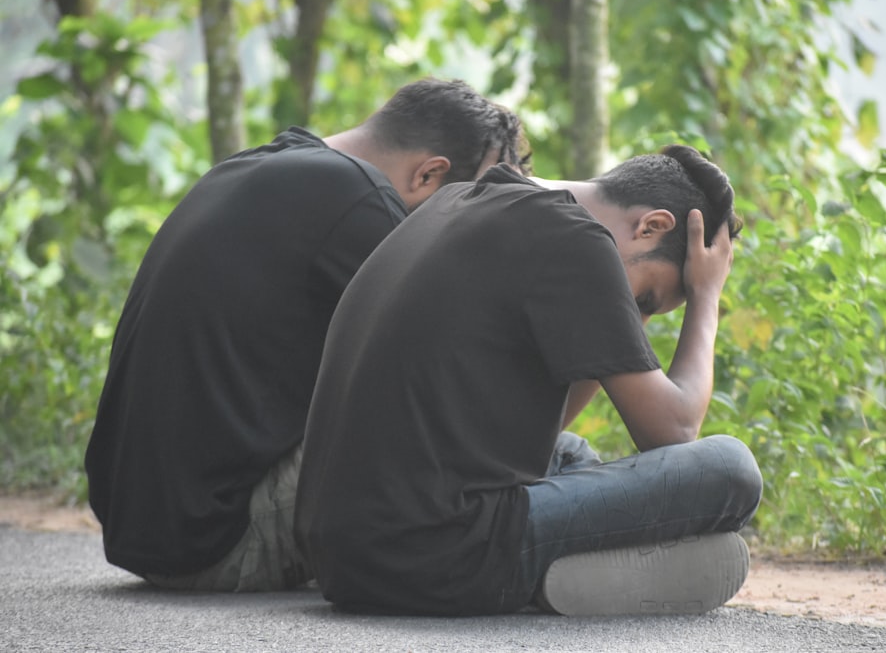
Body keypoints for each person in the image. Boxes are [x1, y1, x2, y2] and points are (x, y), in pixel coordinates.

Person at [84, 78, 531, 593]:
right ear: (430, 174)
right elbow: (463, 387)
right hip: (218, 541)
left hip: (146, 530)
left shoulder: (262, 164)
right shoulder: (361, 200)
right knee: (480, 436)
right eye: (468, 205)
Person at [294, 145, 764, 616]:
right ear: (652, 226)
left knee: (572, 453)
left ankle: (567, 569)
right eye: (645, 299)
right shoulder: (576, 239)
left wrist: (616, 328)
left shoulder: (457, 199)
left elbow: (538, 446)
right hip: (438, 557)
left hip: (344, 556)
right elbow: (674, 431)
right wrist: (706, 298)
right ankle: (554, 574)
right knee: (731, 469)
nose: (635, 314)